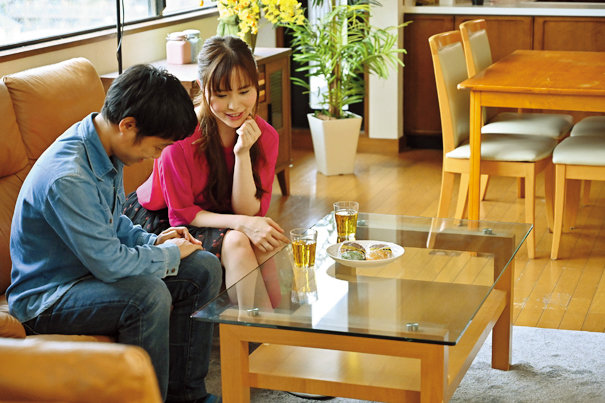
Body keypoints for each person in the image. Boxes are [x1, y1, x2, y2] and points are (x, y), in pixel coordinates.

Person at [7, 64, 222, 403]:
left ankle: (187, 396)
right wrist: (166, 254)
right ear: (128, 125)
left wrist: (154, 240)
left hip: (88, 274)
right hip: (50, 297)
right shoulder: (69, 177)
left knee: (203, 266)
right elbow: (109, 263)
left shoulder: (105, 147)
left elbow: (111, 222)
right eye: (158, 147)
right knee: (147, 295)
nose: (156, 157)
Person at [123, 36, 289, 308]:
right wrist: (242, 224)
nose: (234, 105)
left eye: (244, 91)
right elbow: (183, 214)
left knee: (266, 243)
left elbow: (249, 212)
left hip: (220, 215)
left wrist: (242, 153)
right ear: (202, 87)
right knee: (238, 241)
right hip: (164, 219)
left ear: (256, 84)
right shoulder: (179, 137)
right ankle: (245, 329)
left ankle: (271, 329)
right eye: (222, 95)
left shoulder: (265, 136)